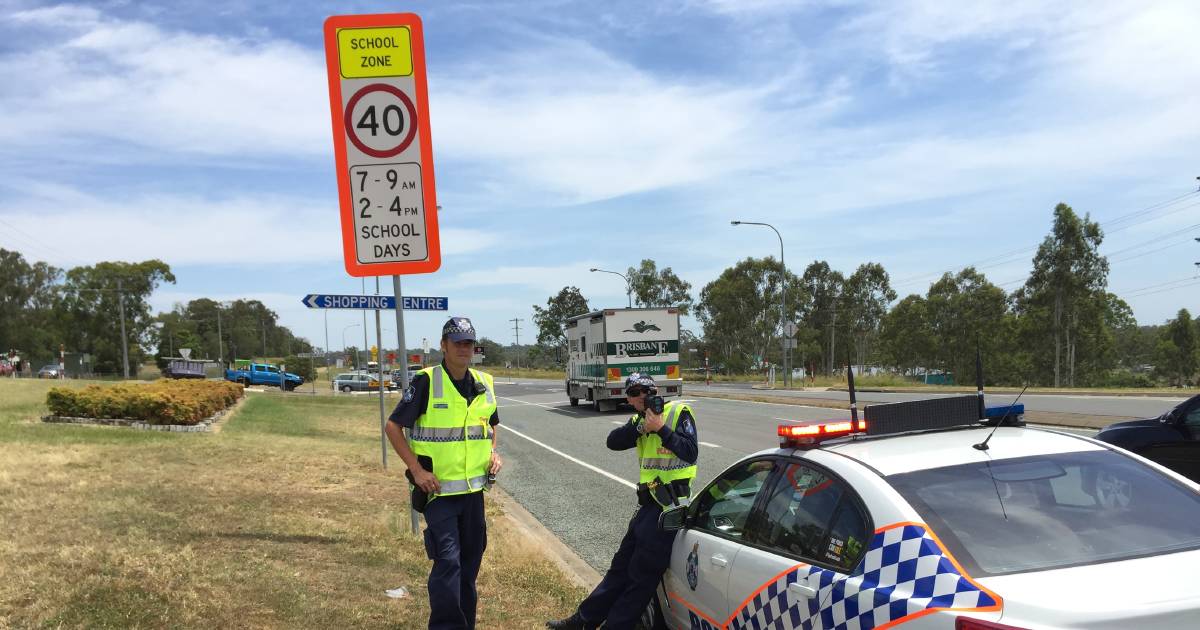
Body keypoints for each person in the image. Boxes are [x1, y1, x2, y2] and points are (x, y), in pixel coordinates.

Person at [547, 374, 699, 630]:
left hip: (669, 509)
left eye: (647, 390)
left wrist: (661, 429)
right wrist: (642, 427)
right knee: (620, 568)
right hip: (648, 506)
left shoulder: (677, 412)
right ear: (628, 398)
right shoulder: (638, 421)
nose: (643, 395)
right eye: (636, 392)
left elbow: (691, 452)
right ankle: (584, 620)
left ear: (656, 391)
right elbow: (613, 441)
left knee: (641, 577)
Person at [383, 316, 502, 630]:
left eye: (469, 343)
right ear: (444, 346)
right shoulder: (426, 381)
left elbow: (491, 425)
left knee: (468, 567)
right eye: (458, 342)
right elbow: (393, 427)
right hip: (439, 496)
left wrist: (492, 452)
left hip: (473, 495)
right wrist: (416, 469)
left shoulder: (484, 382)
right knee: (448, 563)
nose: (465, 348)